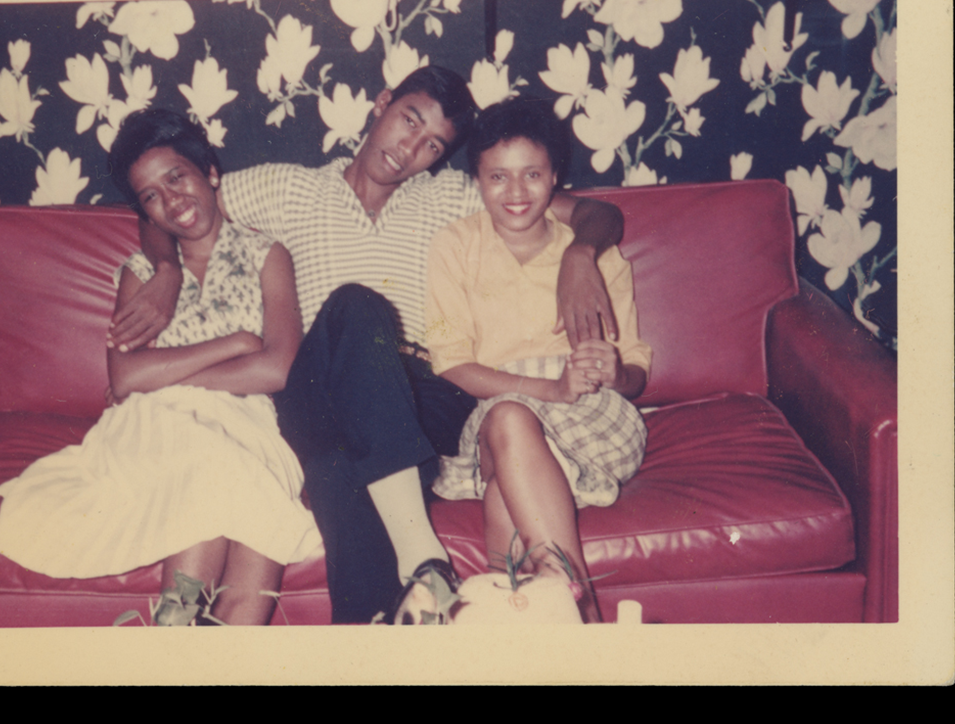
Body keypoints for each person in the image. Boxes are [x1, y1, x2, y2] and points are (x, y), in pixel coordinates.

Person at [109, 67, 625, 624]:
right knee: (355, 305)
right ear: (381, 104)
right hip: (316, 387)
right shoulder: (290, 188)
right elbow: (177, 199)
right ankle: (423, 556)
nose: (410, 150)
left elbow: (600, 214)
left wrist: (581, 255)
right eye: (408, 121)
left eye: (433, 145)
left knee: (335, 465)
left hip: (422, 397)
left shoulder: (450, 195)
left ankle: (371, 637)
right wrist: (165, 268)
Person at [0, 109, 320, 626]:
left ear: (210, 173)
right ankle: (176, 625)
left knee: (237, 473)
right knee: (211, 466)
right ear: (143, 211)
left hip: (253, 424)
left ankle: (179, 634)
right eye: (150, 195)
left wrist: (162, 371)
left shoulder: (266, 254)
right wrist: (234, 342)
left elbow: (277, 369)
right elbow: (124, 379)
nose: (171, 201)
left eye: (177, 178)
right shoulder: (141, 273)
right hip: (156, 427)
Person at [424, 99, 650, 622]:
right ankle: (581, 609)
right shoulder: (452, 247)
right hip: (499, 406)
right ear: (477, 181)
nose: (516, 192)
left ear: (555, 178)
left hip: (594, 416)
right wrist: (548, 390)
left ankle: (537, 626)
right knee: (508, 418)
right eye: (498, 177)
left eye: (532, 174)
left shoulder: (599, 256)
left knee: (509, 482)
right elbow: (450, 361)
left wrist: (614, 371)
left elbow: (636, 373)